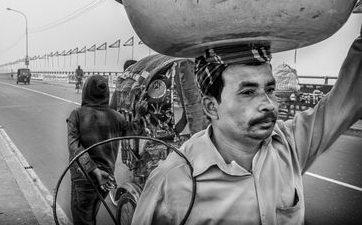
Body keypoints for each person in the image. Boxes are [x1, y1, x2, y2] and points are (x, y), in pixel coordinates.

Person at [131, 26, 362, 224]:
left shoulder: (290, 145)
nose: (269, 104)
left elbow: (349, 98)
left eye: (269, 90)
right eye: (248, 92)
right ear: (211, 107)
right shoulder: (172, 182)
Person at [67, 75, 146, 225]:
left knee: (83, 220)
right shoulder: (116, 117)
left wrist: (94, 170)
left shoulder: (77, 114)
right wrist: (138, 114)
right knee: (90, 217)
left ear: (86, 91)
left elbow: (74, 146)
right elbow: (134, 131)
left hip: (84, 178)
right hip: (105, 179)